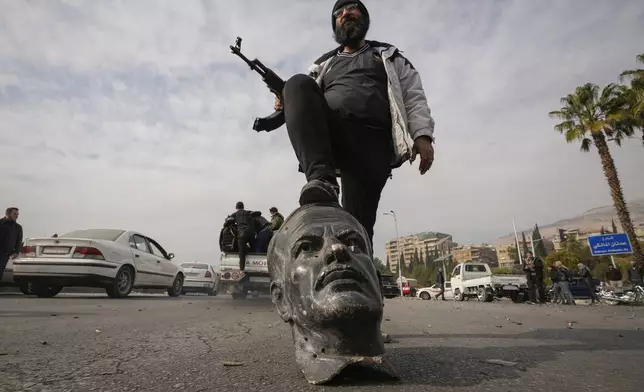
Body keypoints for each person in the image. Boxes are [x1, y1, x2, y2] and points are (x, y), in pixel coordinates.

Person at [275, 0, 435, 246]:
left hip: (373, 144)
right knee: (295, 84)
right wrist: (285, 99)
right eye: (338, 13)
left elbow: (413, 95)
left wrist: (422, 135)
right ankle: (322, 181)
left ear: (364, 18)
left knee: (357, 229)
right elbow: (305, 101)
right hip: (334, 135)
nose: (345, 14)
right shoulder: (323, 64)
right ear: (334, 25)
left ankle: (362, 277)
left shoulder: (388, 56)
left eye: (352, 8)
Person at [229, 202, 254, 271]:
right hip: (250, 233)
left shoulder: (235, 214)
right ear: (243, 206)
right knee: (253, 245)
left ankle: (241, 269)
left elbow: (229, 220)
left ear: (236, 207)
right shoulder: (247, 213)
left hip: (242, 233)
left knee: (241, 251)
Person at [0, 207, 23, 283]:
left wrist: (16, 252)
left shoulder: (18, 227)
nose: (16, 216)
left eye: (17, 214)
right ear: (8, 214)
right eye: (14, 214)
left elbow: (19, 241)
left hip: (5, 253)